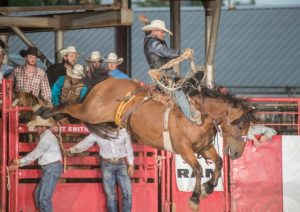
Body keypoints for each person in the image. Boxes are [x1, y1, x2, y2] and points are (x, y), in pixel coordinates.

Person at [139, 15, 202, 125]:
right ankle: (191, 118)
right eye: (162, 32)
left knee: (183, 89)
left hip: (167, 74)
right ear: (155, 31)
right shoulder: (153, 43)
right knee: (178, 93)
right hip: (162, 75)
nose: (164, 34)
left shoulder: (150, 39)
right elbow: (164, 51)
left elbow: (149, 33)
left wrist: (147, 23)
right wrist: (181, 53)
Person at [65, 128, 134, 212]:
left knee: (128, 194)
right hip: (107, 165)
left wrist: (131, 164)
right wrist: (71, 150)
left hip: (121, 163)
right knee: (111, 196)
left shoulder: (123, 132)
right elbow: (85, 143)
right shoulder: (98, 132)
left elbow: (128, 147)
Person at [8, 116, 63, 212]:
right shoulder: (46, 137)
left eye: (37, 127)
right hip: (50, 168)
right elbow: (36, 154)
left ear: (43, 127)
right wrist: (20, 163)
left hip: (51, 168)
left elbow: (36, 154)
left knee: (44, 198)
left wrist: (20, 161)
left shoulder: (46, 138)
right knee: (38, 195)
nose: (35, 129)